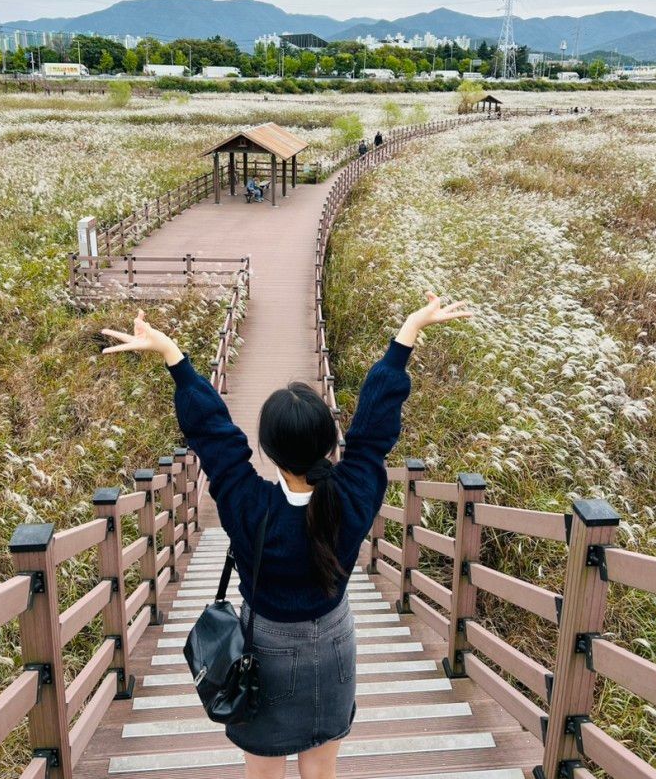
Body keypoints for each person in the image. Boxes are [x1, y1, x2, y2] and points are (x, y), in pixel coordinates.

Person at [101, 292, 470, 778]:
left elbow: (214, 437)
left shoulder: (249, 505)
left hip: (266, 648)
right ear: (327, 442)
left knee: (264, 773)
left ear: (268, 451)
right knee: (321, 771)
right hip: (334, 642)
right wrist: (407, 334)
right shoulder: (353, 493)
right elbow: (374, 433)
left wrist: (175, 358)